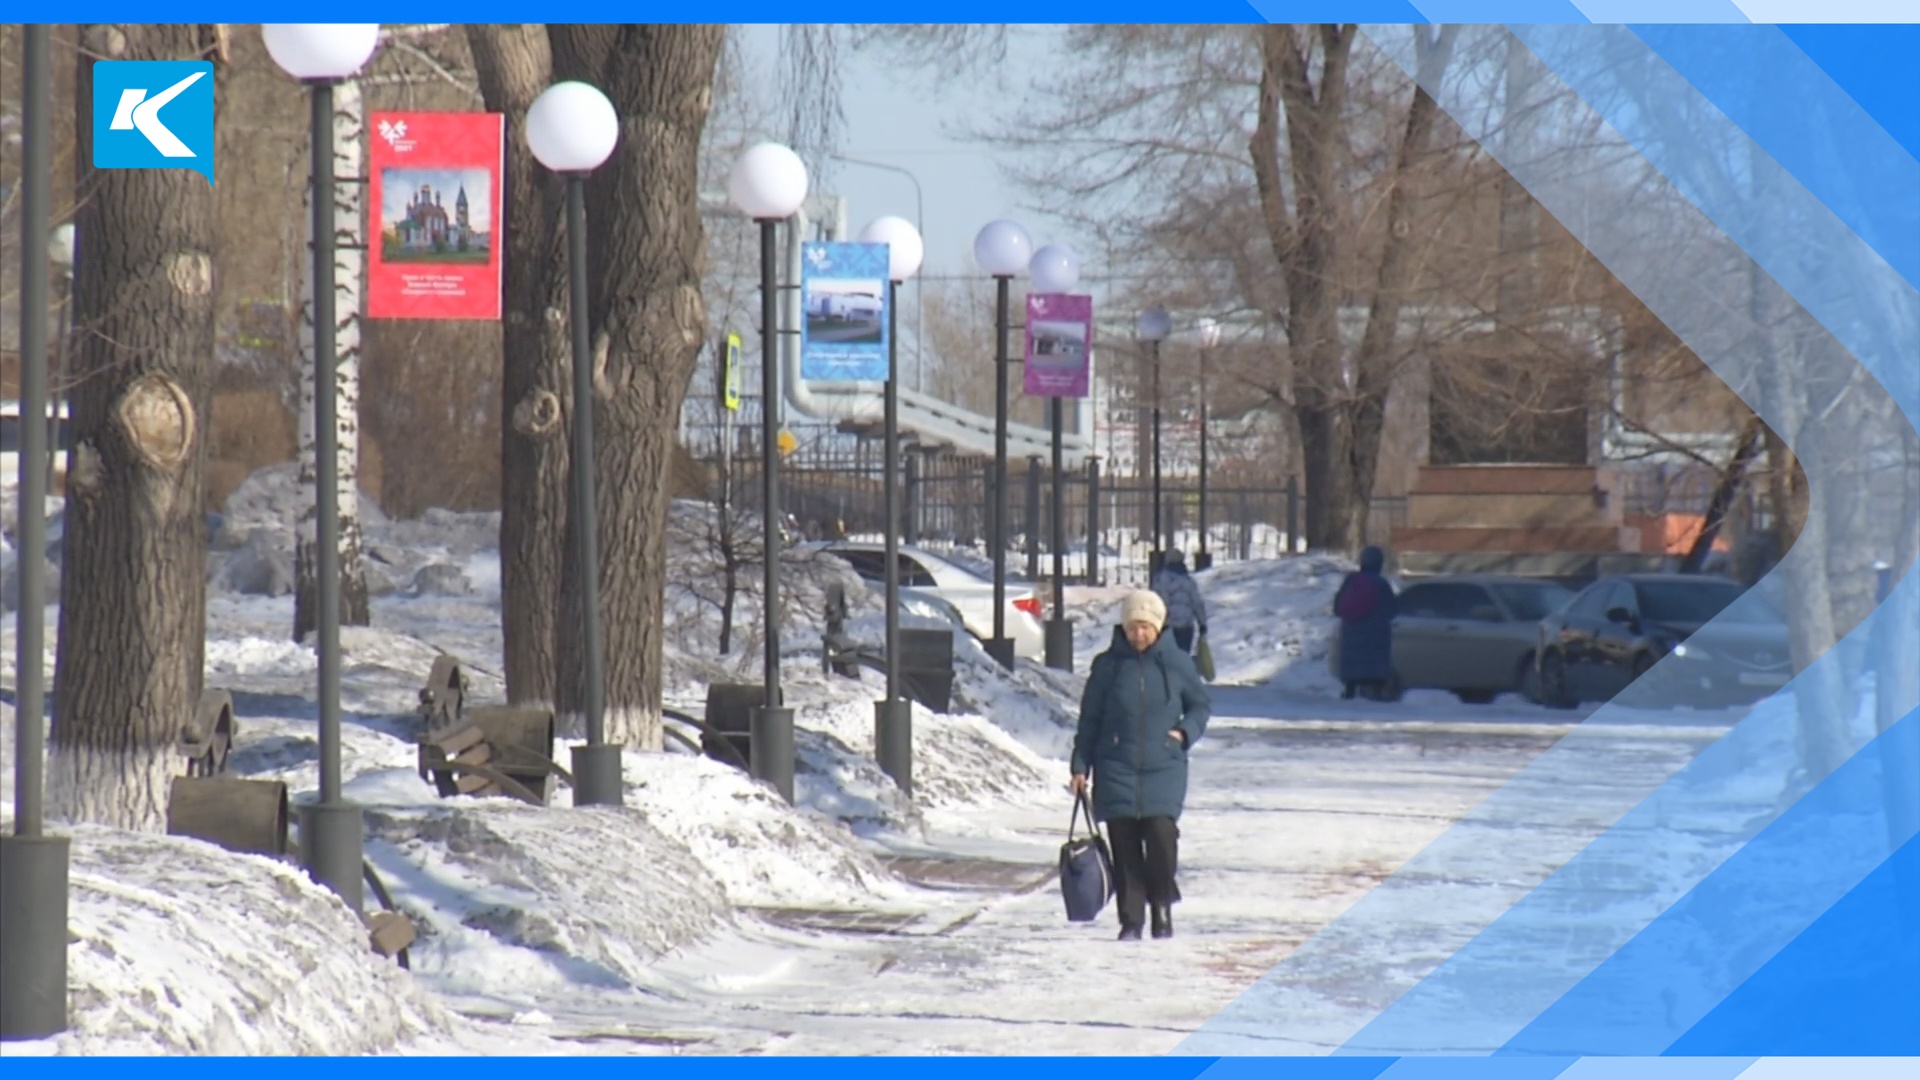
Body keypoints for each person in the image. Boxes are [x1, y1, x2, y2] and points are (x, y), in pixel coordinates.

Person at [1071, 589, 1211, 941]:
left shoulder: (1177, 663)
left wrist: (1184, 732)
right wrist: (1080, 766)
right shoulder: (1108, 667)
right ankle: (1131, 920)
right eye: (1133, 628)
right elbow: (1090, 719)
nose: (1139, 635)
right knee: (1125, 844)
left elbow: (1200, 706)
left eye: (1146, 628)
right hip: (1116, 764)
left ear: (1158, 627)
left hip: (1163, 765)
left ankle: (1161, 904)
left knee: (1162, 837)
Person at [1333, 545, 1398, 700]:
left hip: (1351, 631)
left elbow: (1338, 606)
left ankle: (1350, 690)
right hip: (1376, 633)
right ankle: (1375, 692)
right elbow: (1392, 609)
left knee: (1353, 663)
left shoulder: (1351, 581)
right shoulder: (1381, 584)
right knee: (1374, 665)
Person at [1149, 550, 1208, 655]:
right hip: (1186, 628)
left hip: (1166, 627)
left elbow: (1154, 603)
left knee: (1166, 660)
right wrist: (1202, 624)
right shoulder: (1189, 581)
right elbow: (1197, 604)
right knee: (1182, 659)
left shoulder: (1160, 580)